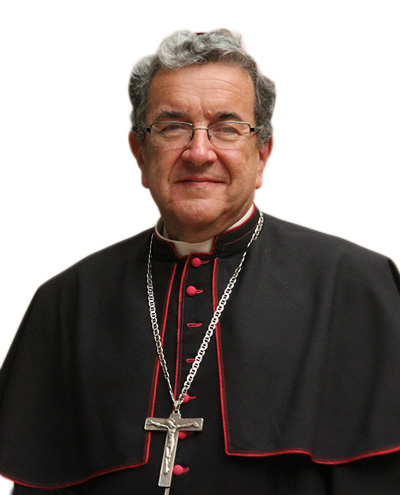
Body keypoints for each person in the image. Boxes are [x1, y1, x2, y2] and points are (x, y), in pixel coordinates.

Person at [1, 29, 400, 494]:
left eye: (227, 128)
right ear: (140, 153)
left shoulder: (356, 287)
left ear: (262, 154)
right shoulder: (67, 303)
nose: (198, 152)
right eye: (172, 127)